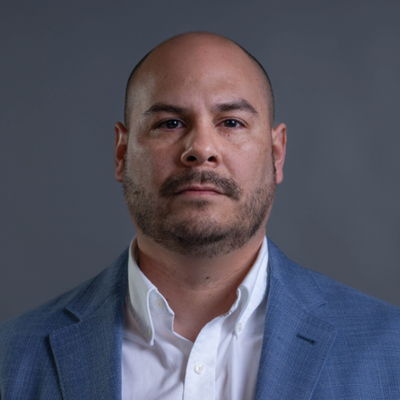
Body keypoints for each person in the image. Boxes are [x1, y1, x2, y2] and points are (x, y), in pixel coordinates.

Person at [1, 31, 400, 400]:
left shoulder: (390, 350)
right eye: (170, 123)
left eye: (231, 122)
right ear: (122, 154)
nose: (201, 149)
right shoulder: (11, 357)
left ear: (276, 154)